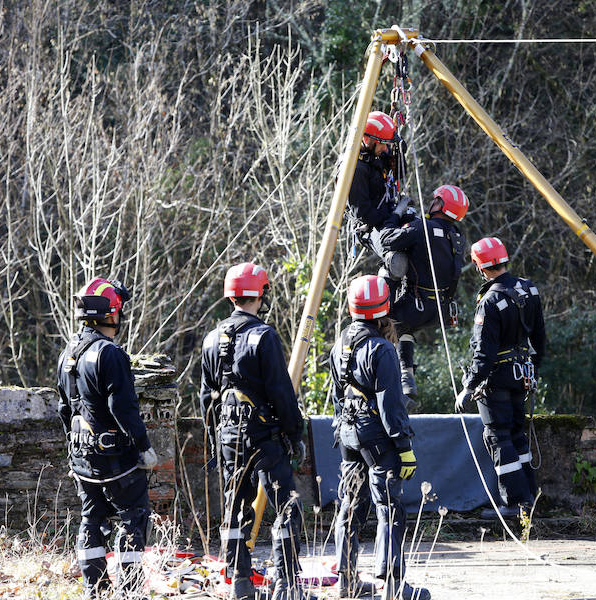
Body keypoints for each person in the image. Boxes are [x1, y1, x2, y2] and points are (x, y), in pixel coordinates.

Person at [199, 262, 310, 600]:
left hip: (229, 436)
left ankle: (240, 582)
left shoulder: (211, 338)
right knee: (286, 505)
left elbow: (207, 399)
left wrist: (216, 439)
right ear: (261, 294)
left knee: (234, 509)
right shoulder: (264, 336)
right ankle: (287, 584)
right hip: (265, 436)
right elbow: (281, 392)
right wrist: (294, 434)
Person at [329, 274, 431, 600]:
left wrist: (342, 430)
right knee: (389, 507)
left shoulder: (340, 344)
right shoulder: (382, 349)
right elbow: (391, 404)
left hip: (348, 433)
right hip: (377, 437)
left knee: (350, 505)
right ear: (384, 307)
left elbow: (337, 397)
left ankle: (347, 581)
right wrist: (404, 447)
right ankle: (394, 587)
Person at [57, 277, 157, 600]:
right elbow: (123, 409)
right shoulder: (109, 354)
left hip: (82, 460)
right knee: (132, 519)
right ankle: (130, 592)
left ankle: (94, 591)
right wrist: (144, 446)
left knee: (92, 519)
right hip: (116, 462)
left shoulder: (67, 355)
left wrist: (73, 452)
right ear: (112, 314)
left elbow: (64, 409)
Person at [454, 237, 546, 516]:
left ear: (479, 266)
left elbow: (484, 352)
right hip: (522, 374)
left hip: (496, 379)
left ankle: (515, 504)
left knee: (498, 436)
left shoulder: (490, 301)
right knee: (518, 435)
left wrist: (468, 387)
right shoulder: (529, 289)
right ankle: (529, 498)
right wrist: (534, 369)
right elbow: (539, 337)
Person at [378, 184, 469, 400]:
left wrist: (398, 213)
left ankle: (398, 377)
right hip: (440, 310)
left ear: (440, 204)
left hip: (415, 305)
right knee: (404, 327)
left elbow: (386, 239)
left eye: (435, 199)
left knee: (386, 319)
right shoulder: (457, 237)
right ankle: (407, 377)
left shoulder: (421, 229)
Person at [348, 110, 412, 280]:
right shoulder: (354, 169)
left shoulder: (376, 153)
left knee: (422, 235)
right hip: (371, 226)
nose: (385, 148)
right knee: (397, 260)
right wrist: (395, 215)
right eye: (382, 144)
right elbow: (364, 214)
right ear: (367, 140)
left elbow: (398, 174)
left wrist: (399, 154)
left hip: (388, 214)